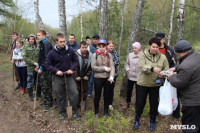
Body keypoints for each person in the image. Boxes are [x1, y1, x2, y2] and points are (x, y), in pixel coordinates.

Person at [133, 37, 169, 131]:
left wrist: (163, 74)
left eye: (157, 47)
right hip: (142, 84)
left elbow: (166, 69)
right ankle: (137, 120)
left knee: (154, 104)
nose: (155, 49)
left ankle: (152, 121)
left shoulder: (163, 57)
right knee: (140, 103)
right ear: (150, 46)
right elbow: (142, 66)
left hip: (155, 85)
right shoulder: (142, 55)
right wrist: (152, 68)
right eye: (153, 47)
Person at [167, 40, 200, 133]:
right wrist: (176, 67)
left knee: (190, 128)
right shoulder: (197, 55)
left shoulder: (185, 66)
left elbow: (178, 83)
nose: (177, 55)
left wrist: (170, 76)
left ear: (182, 52)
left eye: (177, 54)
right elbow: (191, 65)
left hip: (192, 103)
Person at [46, 33, 80, 119]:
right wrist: (56, 70)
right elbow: (47, 65)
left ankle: (74, 112)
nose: (63, 43)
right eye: (61, 42)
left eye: (64, 41)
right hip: (58, 77)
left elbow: (76, 61)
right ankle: (62, 112)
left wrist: (71, 69)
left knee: (75, 94)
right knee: (59, 95)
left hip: (69, 76)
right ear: (56, 41)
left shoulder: (70, 51)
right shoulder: (52, 53)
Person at [156, 32, 180, 120]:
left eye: (160, 39)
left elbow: (175, 63)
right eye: (157, 39)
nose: (158, 41)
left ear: (163, 39)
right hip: (156, 76)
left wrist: (169, 71)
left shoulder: (169, 50)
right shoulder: (154, 49)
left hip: (168, 76)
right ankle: (157, 112)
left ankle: (176, 114)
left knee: (174, 94)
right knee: (156, 94)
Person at [91, 39, 115, 118]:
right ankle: (96, 112)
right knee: (97, 95)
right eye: (100, 46)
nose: (101, 48)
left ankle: (105, 112)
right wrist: (104, 68)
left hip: (107, 78)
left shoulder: (109, 55)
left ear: (106, 47)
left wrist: (111, 76)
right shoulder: (95, 55)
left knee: (107, 95)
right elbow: (93, 67)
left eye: (103, 46)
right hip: (98, 78)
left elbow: (112, 66)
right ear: (98, 46)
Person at [37, 30, 53, 112]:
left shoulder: (46, 44)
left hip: (47, 69)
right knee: (43, 85)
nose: (37, 37)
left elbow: (46, 58)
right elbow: (41, 57)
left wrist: (41, 68)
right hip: (42, 67)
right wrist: (38, 66)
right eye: (37, 35)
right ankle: (45, 101)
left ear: (44, 35)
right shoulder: (41, 43)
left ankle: (49, 103)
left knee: (47, 86)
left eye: (39, 35)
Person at [123, 42, 142, 109]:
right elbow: (127, 63)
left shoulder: (143, 55)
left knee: (138, 92)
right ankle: (127, 103)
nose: (134, 49)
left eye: (135, 48)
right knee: (129, 91)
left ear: (139, 48)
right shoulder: (130, 55)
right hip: (130, 76)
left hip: (139, 77)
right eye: (133, 48)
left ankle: (137, 104)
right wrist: (128, 70)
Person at [22, 34, 41, 101]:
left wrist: (39, 64)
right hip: (31, 68)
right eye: (30, 39)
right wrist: (33, 63)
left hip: (38, 67)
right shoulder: (25, 47)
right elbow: (25, 57)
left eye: (32, 39)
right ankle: (31, 96)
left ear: (34, 40)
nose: (31, 40)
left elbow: (40, 55)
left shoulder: (38, 46)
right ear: (28, 40)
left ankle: (38, 94)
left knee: (38, 81)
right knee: (30, 82)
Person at [74, 41, 92, 105]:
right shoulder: (75, 54)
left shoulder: (90, 55)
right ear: (80, 47)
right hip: (77, 75)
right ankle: (77, 102)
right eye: (83, 47)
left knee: (85, 89)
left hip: (85, 75)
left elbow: (90, 66)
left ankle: (83, 102)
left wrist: (87, 75)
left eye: (85, 47)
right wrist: (76, 76)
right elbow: (73, 66)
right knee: (77, 89)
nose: (84, 49)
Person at [107, 40, 120, 110]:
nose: (111, 47)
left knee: (111, 90)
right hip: (105, 74)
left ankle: (110, 103)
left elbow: (117, 61)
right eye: (110, 46)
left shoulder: (115, 53)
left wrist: (111, 66)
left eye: (112, 46)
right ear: (107, 46)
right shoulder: (104, 52)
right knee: (106, 89)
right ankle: (106, 103)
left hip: (113, 74)